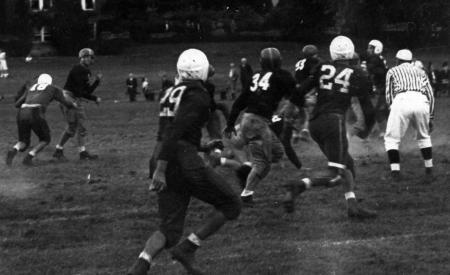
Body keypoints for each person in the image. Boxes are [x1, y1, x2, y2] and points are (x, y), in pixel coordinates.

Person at [127, 49, 241, 275]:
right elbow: (176, 131)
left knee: (168, 229)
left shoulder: (170, 91)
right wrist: (161, 170)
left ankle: (140, 266)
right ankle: (188, 247)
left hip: (162, 155)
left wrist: (200, 146)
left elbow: (169, 133)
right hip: (180, 161)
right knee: (231, 204)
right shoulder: (198, 95)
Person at [282, 36, 377, 219]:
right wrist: (366, 130)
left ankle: (352, 206)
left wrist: (288, 120)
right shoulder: (357, 73)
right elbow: (368, 109)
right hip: (334, 121)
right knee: (335, 172)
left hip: (315, 122)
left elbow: (299, 92)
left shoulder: (322, 67)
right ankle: (299, 186)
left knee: (347, 163)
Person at [223, 47, 303, 204]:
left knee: (278, 152)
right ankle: (246, 192)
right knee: (263, 164)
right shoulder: (282, 75)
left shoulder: (256, 75)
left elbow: (240, 101)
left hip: (248, 119)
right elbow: (296, 93)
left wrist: (231, 123)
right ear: (279, 61)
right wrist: (300, 104)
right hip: (259, 123)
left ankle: (229, 148)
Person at [384, 49, 435, 183]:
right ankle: (429, 169)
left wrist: (392, 110)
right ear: (411, 61)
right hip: (421, 100)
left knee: (391, 139)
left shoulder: (392, 71)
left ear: (397, 60)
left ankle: (395, 172)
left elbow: (389, 94)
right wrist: (431, 116)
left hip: (401, 99)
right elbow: (430, 94)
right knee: (424, 137)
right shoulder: (421, 71)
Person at [6, 74, 77, 166]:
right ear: (50, 82)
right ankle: (29, 157)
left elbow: (17, 104)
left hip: (22, 112)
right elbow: (66, 103)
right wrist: (73, 104)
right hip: (35, 112)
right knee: (45, 139)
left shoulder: (31, 87)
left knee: (23, 142)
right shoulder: (53, 88)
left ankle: (13, 150)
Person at [53, 48, 102, 161]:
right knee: (81, 126)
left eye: (92, 57)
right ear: (83, 57)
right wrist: (93, 98)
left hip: (69, 97)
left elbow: (86, 92)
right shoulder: (79, 69)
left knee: (72, 127)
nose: (91, 59)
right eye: (90, 57)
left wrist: (97, 83)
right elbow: (80, 91)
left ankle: (58, 150)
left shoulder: (85, 71)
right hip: (70, 98)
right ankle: (82, 152)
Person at [294, 44, 322, 141]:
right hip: (307, 91)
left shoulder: (299, 62)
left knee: (300, 114)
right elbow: (313, 79)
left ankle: (295, 133)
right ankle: (305, 130)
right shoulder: (313, 63)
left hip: (297, 90)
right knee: (310, 113)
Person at [363, 39, 389, 137]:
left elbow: (372, 70)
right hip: (384, 88)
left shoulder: (375, 59)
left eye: (370, 48)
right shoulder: (378, 58)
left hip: (385, 89)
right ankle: (380, 129)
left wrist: (367, 69)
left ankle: (384, 132)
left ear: (377, 49)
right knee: (385, 111)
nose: (368, 49)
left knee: (379, 111)